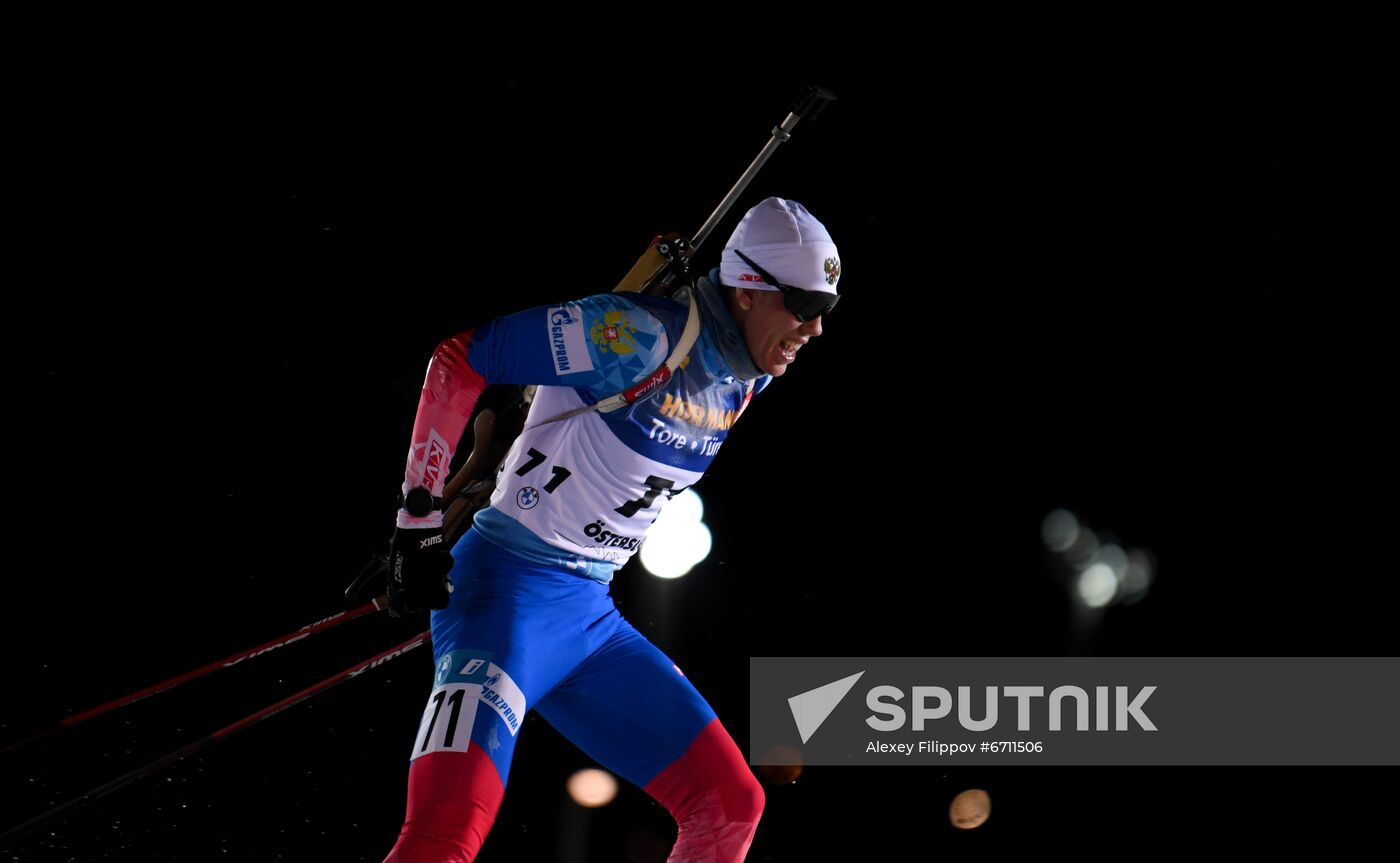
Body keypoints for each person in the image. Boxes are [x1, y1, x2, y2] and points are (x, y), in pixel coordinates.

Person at [381, 197, 841, 862]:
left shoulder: (749, 374)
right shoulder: (635, 335)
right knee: (445, 833)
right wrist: (415, 524)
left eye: (825, 306)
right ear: (747, 289)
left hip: (590, 621)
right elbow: (461, 359)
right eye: (803, 303)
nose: (815, 327)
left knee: (729, 803)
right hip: (502, 603)